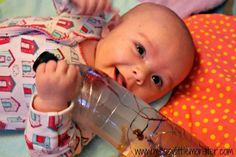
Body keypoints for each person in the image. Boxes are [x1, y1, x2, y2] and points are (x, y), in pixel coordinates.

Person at [0, 0, 195, 156]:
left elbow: (52, 152)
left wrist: (50, 104)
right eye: (140, 50)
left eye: (157, 80)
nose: (141, 75)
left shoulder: (94, 111)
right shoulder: (90, 22)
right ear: (111, 27)